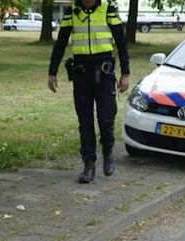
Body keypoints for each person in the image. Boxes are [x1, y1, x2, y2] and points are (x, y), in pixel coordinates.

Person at [48, 0, 130, 184]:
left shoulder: (107, 10)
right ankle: (89, 165)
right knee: (85, 121)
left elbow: (121, 42)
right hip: (81, 74)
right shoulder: (71, 12)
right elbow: (60, 43)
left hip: (104, 72)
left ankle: (108, 151)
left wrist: (125, 73)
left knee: (106, 117)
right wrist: (52, 72)